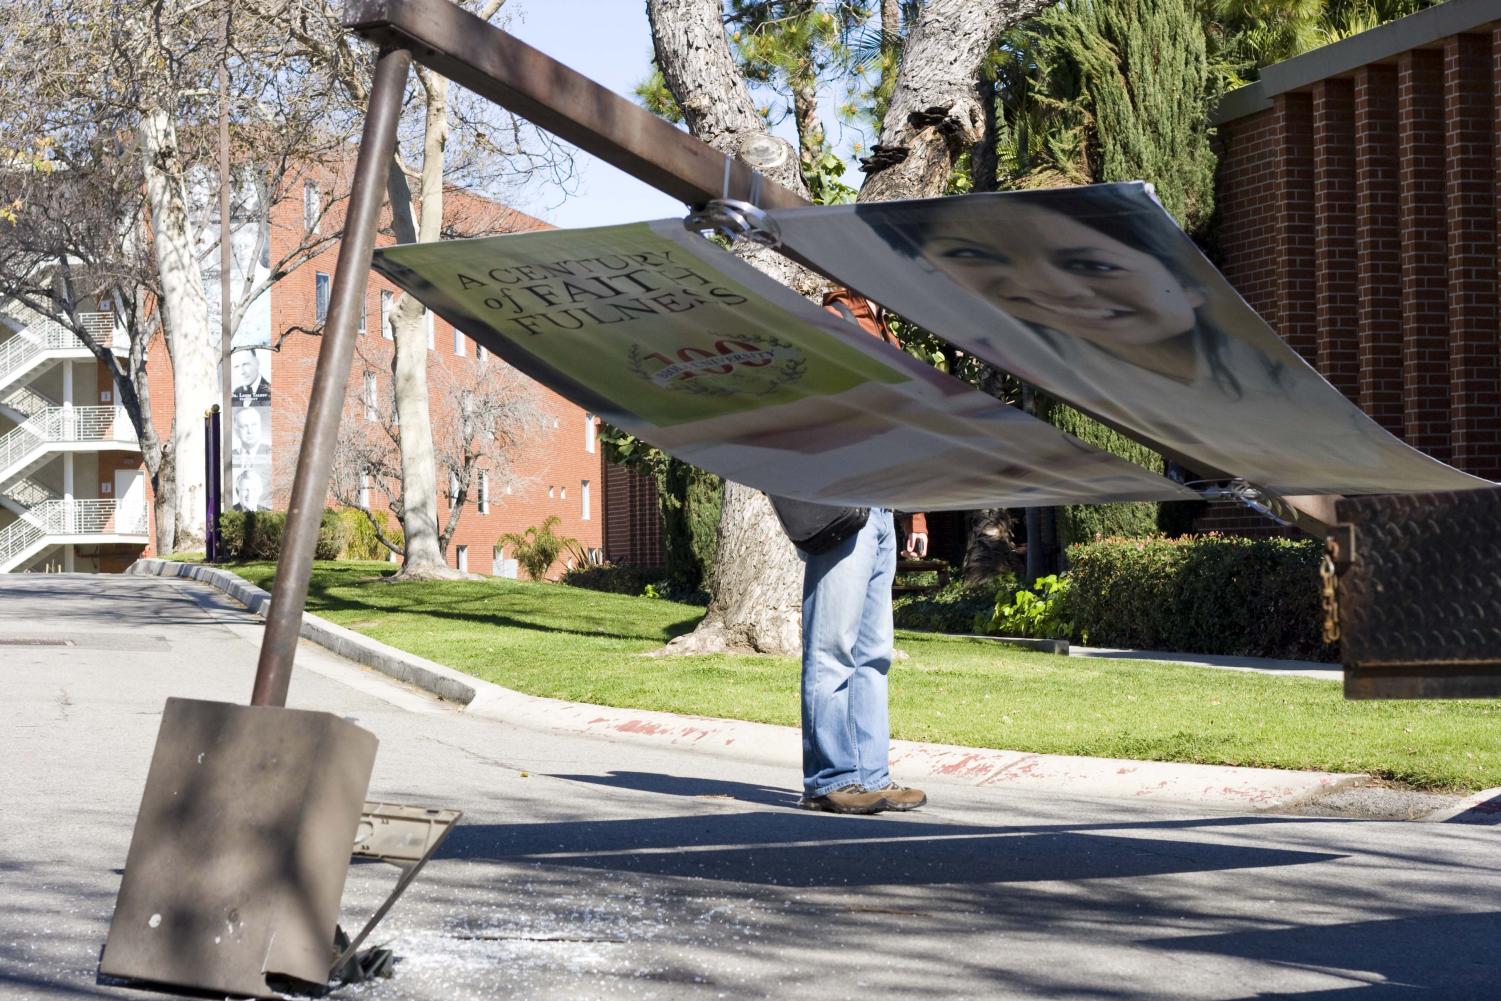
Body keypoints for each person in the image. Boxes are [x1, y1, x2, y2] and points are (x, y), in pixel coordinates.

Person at [796, 288, 928, 816]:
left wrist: (914, 512)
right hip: (843, 502)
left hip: (882, 507)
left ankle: (872, 775)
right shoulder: (834, 317)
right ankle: (830, 777)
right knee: (833, 649)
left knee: (874, 654)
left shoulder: (887, 328)